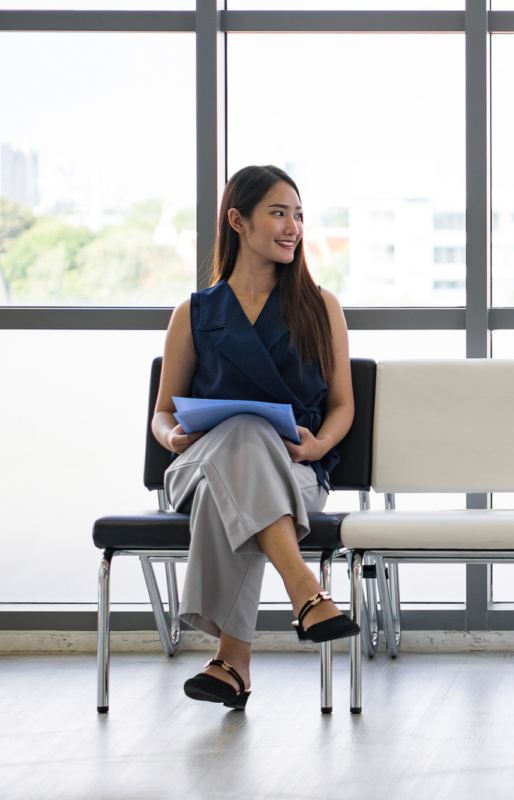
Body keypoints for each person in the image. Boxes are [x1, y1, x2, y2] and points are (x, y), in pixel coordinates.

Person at [151, 165, 359, 710]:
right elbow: (162, 413)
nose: (292, 226)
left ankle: (232, 663)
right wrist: (172, 437)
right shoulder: (192, 314)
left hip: (295, 470)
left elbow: (342, 406)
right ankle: (304, 590)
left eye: (298, 216)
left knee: (246, 467)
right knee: (241, 433)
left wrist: (317, 447)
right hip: (199, 470)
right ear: (237, 220)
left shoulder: (321, 308)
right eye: (278, 213)